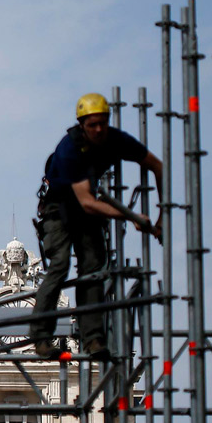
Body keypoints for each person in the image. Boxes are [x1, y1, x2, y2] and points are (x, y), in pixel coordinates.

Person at [30, 93, 163, 360]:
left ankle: (93, 340)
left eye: (103, 122)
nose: (99, 129)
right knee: (59, 265)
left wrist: (163, 214)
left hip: (85, 209)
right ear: (82, 125)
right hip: (60, 208)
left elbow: (157, 166)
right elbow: (88, 203)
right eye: (93, 124)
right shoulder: (70, 149)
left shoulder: (115, 139)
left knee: (94, 268)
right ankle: (42, 337)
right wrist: (134, 217)